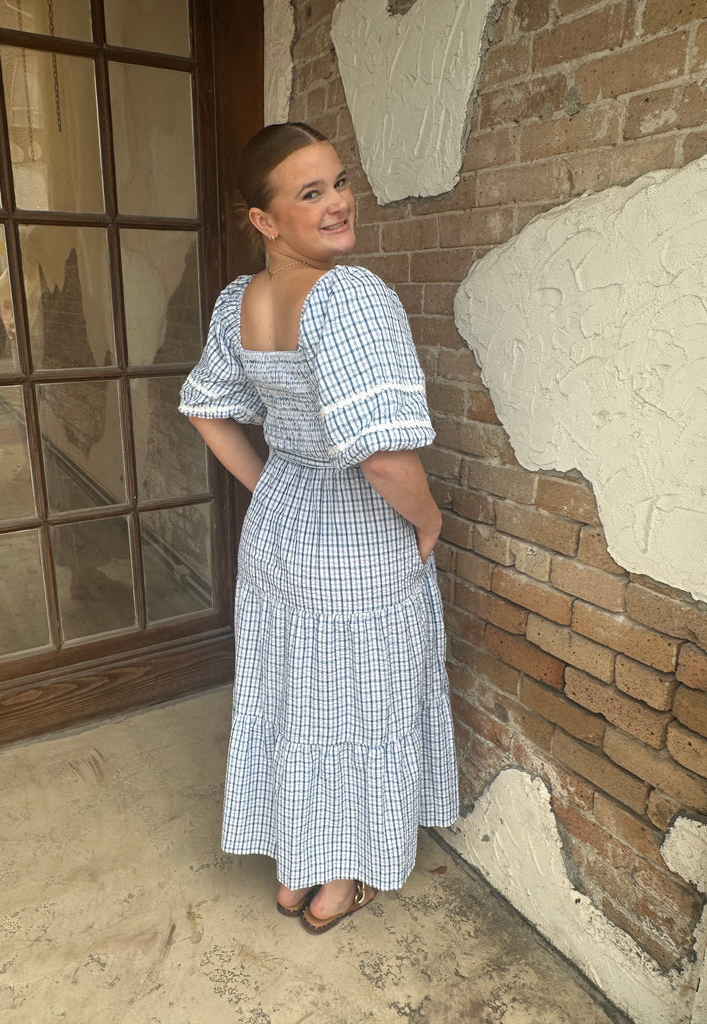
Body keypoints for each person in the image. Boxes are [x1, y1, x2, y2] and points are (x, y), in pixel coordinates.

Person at [179, 122, 458, 934]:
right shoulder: (350, 297)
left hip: (278, 533)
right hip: (356, 540)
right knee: (359, 706)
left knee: (295, 696)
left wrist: (273, 484)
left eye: (339, 181)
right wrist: (430, 519)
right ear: (264, 220)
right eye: (311, 193)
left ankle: (294, 870)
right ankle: (335, 883)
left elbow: (204, 409)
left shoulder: (243, 302)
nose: (339, 202)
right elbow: (383, 459)